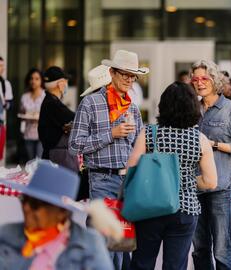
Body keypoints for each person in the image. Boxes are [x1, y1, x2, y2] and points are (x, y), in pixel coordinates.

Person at [69, 50, 148, 269]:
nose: (129, 80)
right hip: (102, 180)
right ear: (112, 73)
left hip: (127, 183)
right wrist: (111, 134)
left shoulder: (132, 107)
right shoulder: (91, 103)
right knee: (101, 243)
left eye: (133, 76)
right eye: (125, 74)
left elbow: (138, 148)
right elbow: (74, 145)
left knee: (122, 244)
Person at [128, 82, 217, 270]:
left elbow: (131, 169)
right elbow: (210, 182)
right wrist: (185, 181)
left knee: (142, 262)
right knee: (175, 266)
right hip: (185, 209)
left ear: (163, 106)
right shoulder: (200, 139)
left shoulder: (148, 133)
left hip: (149, 207)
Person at [190, 60, 231, 270]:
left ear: (214, 80)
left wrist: (214, 145)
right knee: (199, 248)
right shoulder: (191, 109)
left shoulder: (230, 108)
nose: (200, 83)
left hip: (222, 186)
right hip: (195, 186)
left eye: (204, 78)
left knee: (221, 248)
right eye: (195, 79)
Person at [0, 161, 113, 270]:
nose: (27, 208)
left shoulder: (89, 245)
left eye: (35, 204)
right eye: (24, 200)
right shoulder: (7, 235)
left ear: (61, 212)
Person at [38, 66, 78, 172]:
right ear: (60, 84)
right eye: (65, 82)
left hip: (55, 155)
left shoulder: (50, 101)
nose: (66, 85)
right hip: (57, 158)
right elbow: (75, 117)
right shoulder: (52, 103)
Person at [19, 68, 46, 160]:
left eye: (36, 78)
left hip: (42, 133)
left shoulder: (45, 96)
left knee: (39, 162)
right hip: (28, 133)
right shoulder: (25, 96)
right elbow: (22, 114)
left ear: (41, 80)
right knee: (30, 162)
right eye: (31, 78)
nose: (33, 81)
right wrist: (22, 131)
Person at [0, 56, 13, 161]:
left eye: (2, 66)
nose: (2, 68)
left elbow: (10, 104)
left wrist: (4, 103)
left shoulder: (5, 84)